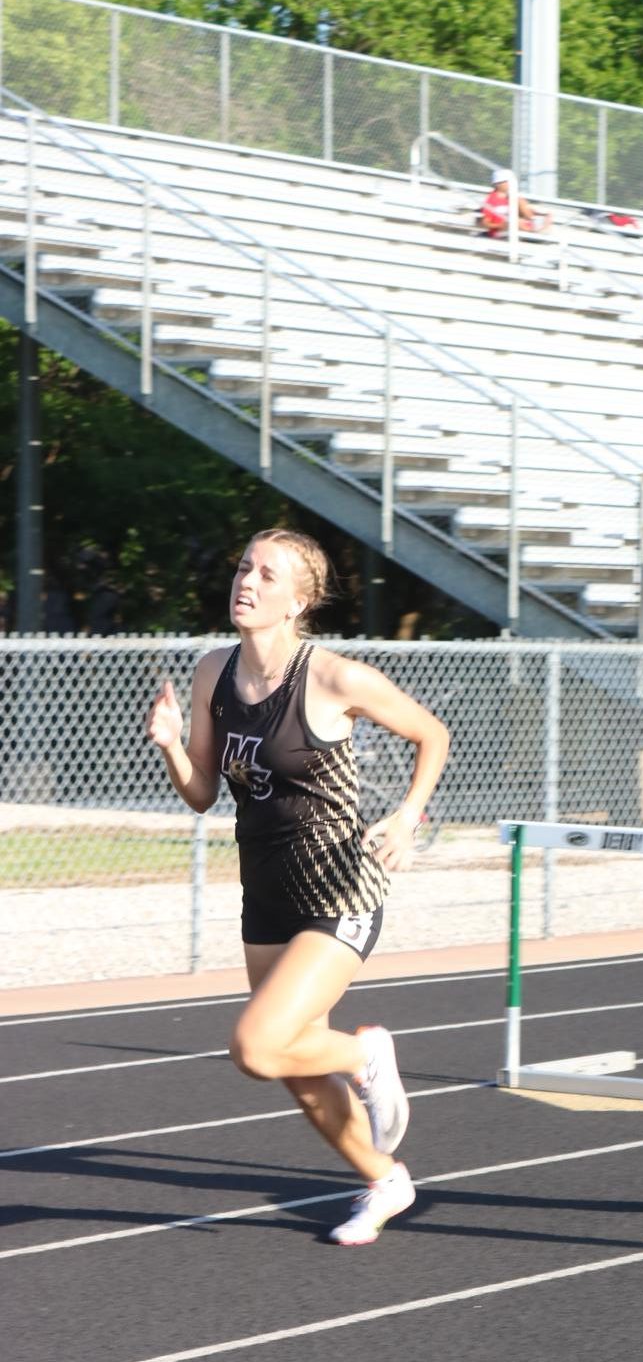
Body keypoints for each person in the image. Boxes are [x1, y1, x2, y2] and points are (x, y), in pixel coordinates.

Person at [146, 529, 451, 1246]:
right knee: (290, 1059)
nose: (246, 581)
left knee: (257, 1046)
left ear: (299, 600)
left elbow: (431, 734)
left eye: (267, 574)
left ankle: (365, 1054)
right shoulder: (212, 673)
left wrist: (409, 816)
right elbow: (199, 793)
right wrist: (167, 744)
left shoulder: (335, 677)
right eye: (244, 566)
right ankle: (385, 1179)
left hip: (340, 888)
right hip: (267, 892)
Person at [477, 169, 552, 239]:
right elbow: (484, 223)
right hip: (500, 232)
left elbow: (527, 214)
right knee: (517, 221)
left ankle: (536, 232)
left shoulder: (513, 198)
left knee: (523, 206)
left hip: (515, 229)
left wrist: (540, 213)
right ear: (498, 184)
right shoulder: (491, 200)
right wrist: (501, 225)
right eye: (508, 182)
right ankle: (535, 233)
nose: (511, 184)